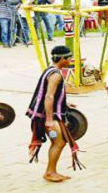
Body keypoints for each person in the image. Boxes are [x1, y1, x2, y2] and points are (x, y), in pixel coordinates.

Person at [27, 45, 85, 182]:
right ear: (63, 58)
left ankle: (51, 171)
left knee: (58, 142)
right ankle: (50, 172)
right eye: (69, 58)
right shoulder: (56, 75)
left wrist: (64, 103)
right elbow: (49, 96)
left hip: (46, 113)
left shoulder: (50, 70)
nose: (70, 60)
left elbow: (53, 95)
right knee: (59, 142)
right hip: (47, 115)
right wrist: (49, 120)